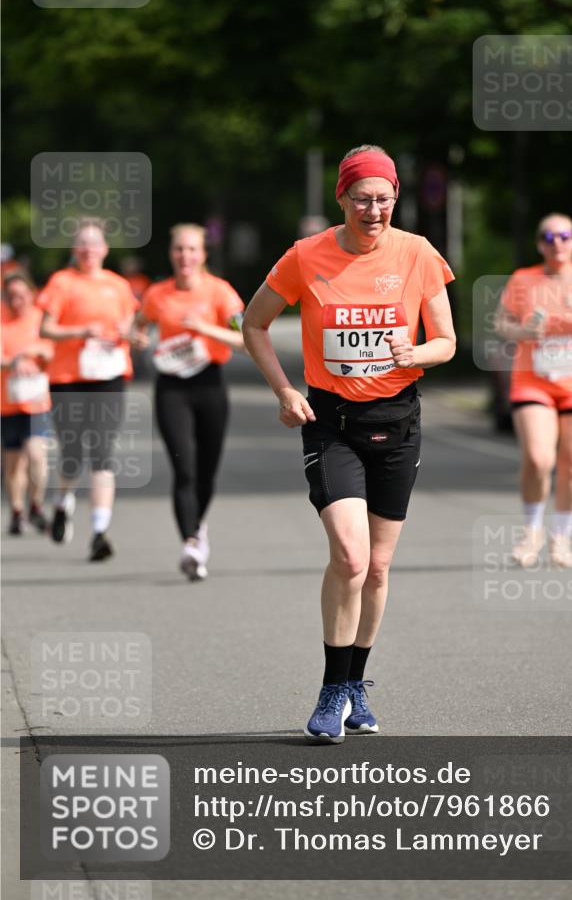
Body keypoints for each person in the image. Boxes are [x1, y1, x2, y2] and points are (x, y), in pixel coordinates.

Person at [243, 145, 456, 743]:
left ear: (396, 199)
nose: (373, 210)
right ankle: (333, 687)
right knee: (351, 558)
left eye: (384, 199)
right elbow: (253, 323)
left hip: (398, 422)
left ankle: (357, 682)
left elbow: (446, 342)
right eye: (362, 198)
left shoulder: (416, 253)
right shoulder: (305, 255)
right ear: (341, 198)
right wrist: (285, 390)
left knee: (379, 568)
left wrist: (415, 352)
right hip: (332, 422)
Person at [494, 212, 572, 569]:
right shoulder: (523, 279)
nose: (557, 243)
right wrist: (525, 332)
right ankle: (532, 531)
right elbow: (502, 324)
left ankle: (560, 537)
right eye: (549, 237)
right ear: (540, 244)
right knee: (538, 458)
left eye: (564, 236)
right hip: (533, 382)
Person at [136, 224, 245, 581]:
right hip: (171, 387)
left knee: (207, 470)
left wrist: (204, 328)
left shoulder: (220, 292)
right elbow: (138, 326)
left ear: (203, 254)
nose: (185, 256)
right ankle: (191, 541)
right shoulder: (157, 294)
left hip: (210, 383)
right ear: (171, 254)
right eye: (179, 249)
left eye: (192, 249)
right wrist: (137, 338)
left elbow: (246, 339)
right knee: (184, 468)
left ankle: (197, 526)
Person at [37, 218, 139, 561]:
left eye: (94, 243)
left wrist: (130, 335)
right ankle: (62, 502)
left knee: (102, 451)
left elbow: (129, 326)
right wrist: (81, 331)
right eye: (83, 243)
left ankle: (99, 531)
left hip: (109, 375)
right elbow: (46, 329)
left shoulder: (118, 286)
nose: (88, 249)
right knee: (72, 453)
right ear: (74, 249)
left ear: (105, 249)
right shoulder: (61, 282)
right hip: (68, 378)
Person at [1, 273, 53, 534]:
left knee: (36, 454)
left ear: (32, 294)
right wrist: (14, 362)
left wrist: (37, 353)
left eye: (21, 296)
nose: (17, 302)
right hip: (7, 402)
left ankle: (36, 505)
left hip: (37, 402)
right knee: (13, 463)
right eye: (11, 297)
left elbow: (52, 350)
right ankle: (16, 511)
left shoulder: (41, 319)